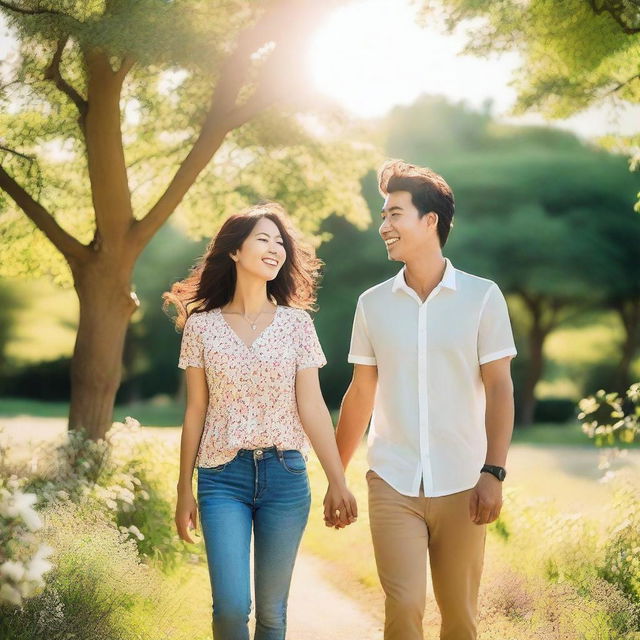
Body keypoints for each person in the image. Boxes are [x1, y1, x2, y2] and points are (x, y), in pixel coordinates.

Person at [334, 160, 517, 640]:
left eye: (395, 214)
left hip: (463, 481)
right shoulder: (372, 303)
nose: (384, 227)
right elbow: (360, 392)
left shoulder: (482, 297)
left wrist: (493, 472)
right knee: (405, 605)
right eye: (383, 215)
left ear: (429, 221)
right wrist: (337, 475)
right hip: (392, 479)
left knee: (459, 618)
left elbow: (500, 387)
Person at [164, 203, 357, 640]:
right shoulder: (202, 326)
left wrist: (338, 479)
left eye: (280, 242)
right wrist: (183, 488)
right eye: (263, 239)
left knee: (272, 614)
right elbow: (195, 411)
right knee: (231, 609)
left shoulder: (296, 325)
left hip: (285, 475)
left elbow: (312, 406)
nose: (275, 249)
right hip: (220, 479)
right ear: (234, 251)